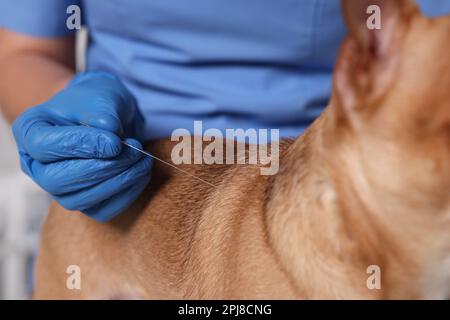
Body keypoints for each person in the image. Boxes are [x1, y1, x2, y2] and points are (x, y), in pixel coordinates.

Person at [1, 0, 449, 222]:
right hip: (126, 185)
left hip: (322, 186)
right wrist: (66, 110)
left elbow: (427, 47)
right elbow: (22, 50)